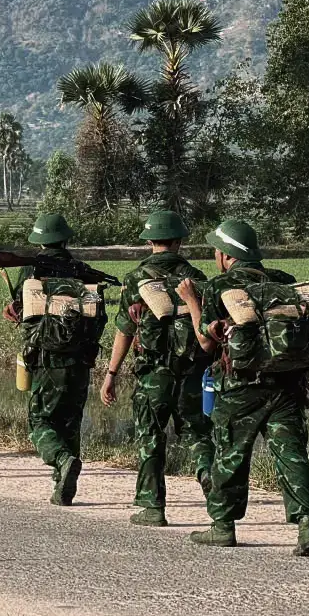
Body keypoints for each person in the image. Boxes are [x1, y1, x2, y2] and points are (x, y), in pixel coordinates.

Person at [177, 219, 309, 555]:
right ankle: (306, 526)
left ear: (225, 254)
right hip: (287, 386)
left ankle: (223, 527)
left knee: (230, 455)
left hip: (240, 387)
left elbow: (206, 344)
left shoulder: (219, 285)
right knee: (292, 455)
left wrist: (191, 300)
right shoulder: (287, 282)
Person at [100, 211, 210, 527]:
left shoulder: (136, 279)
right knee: (197, 431)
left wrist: (111, 374)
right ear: (179, 241)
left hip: (153, 374)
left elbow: (124, 331)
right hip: (191, 373)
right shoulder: (197, 278)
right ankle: (206, 473)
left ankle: (152, 507)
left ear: (150, 241)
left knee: (151, 433)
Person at [2, 213, 109, 506]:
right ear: (65, 238)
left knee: (39, 421)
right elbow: (99, 318)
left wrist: (14, 310)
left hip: (47, 358)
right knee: (71, 421)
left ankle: (62, 461)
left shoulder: (32, 271)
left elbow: (24, 311)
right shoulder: (83, 271)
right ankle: (62, 485)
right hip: (81, 359)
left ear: (39, 240)